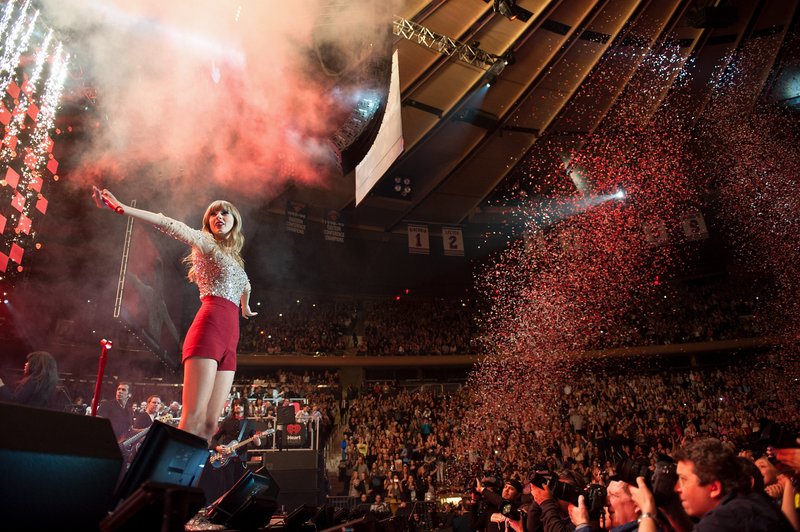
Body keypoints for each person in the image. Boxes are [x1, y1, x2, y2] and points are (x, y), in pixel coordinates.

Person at [93, 187, 257, 440]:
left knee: (210, 424)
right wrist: (122, 208)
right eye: (213, 214)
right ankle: (170, 479)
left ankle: (192, 478)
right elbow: (167, 223)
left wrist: (244, 306)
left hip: (230, 341)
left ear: (235, 221)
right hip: (209, 330)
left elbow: (245, 284)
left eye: (225, 212)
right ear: (208, 223)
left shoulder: (235, 260)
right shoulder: (205, 243)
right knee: (192, 419)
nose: (219, 216)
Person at [673, 438, 793, 531]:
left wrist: (653, 514)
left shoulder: (720, 523)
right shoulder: (755, 501)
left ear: (714, 488)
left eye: (684, 480)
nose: (677, 488)